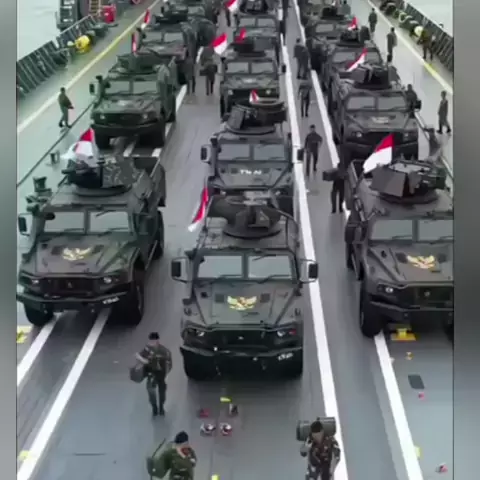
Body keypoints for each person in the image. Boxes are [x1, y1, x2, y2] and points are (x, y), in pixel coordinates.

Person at [136, 332, 172, 416]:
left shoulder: (164, 351)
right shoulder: (146, 350)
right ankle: (154, 407)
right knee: (151, 391)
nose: (152, 342)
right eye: (151, 341)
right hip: (151, 374)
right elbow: (141, 358)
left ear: (157, 341)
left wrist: (166, 373)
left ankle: (161, 407)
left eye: (153, 341)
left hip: (161, 374)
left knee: (161, 392)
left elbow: (169, 363)